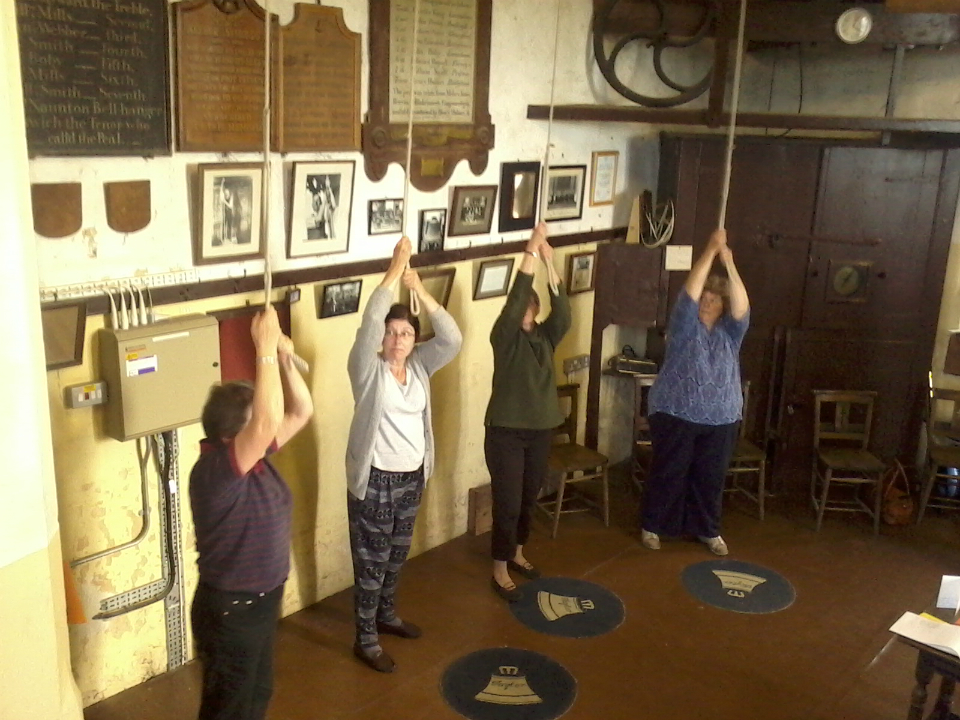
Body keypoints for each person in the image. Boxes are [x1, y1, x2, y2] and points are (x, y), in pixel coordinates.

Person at [189, 305, 314, 720]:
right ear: (231, 436)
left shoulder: (251, 458)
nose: (266, 425)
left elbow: (299, 413)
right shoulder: (218, 471)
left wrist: (282, 362)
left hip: (260, 601)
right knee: (229, 707)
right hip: (232, 609)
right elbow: (266, 422)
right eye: (255, 424)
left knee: (256, 693)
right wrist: (262, 346)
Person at [345, 236, 462, 673]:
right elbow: (369, 324)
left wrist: (422, 290)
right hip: (375, 481)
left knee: (396, 555)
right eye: (392, 333)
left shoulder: (419, 366)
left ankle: (387, 615)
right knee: (371, 563)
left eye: (406, 333)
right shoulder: (367, 368)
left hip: (412, 477)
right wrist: (395, 270)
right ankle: (366, 638)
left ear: (415, 340)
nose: (398, 339)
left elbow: (452, 339)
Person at [640, 228, 750, 556]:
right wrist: (709, 252)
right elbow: (687, 296)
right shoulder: (685, 327)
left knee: (710, 477)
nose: (706, 302)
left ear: (722, 306)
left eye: (713, 299)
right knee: (669, 472)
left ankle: (708, 530)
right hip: (675, 411)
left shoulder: (730, 333)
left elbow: (743, 307)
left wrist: (728, 262)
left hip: (722, 416)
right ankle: (653, 526)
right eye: (704, 298)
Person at [485, 222, 570, 602]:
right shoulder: (503, 337)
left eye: (532, 306)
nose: (526, 310)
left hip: (540, 430)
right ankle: (499, 566)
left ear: (537, 311)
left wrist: (551, 263)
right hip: (505, 431)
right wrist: (531, 252)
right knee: (507, 501)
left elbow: (564, 314)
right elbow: (518, 295)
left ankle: (518, 552)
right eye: (523, 305)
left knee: (529, 497)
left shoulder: (545, 337)